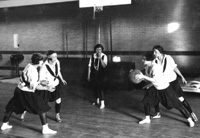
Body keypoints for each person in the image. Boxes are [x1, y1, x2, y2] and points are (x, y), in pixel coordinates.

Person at [1, 53, 57, 134]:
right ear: (38, 62)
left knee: (11, 107)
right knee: (42, 107)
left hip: (19, 90)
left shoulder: (30, 65)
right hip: (26, 93)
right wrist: (47, 88)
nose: (43, 63)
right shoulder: (33, 71)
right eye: (42, 61)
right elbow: (34, 86)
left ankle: (4, 124)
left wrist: (41, 81)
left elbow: (29, 80)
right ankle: (45, 129)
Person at [136, 51, 195, 127]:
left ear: (150, 60)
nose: (142, 60)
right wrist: (137, 76)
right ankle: (147, 118)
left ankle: (190, 120)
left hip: (165, 89)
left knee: (178, 105)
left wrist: (143, 77)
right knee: (146, 101)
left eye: (144, 59)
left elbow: (155, 79)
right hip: (156, 88)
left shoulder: (156, 67)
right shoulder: (147, 67)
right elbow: (149, 79)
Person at [152, 45, 198, 122]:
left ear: (160, 52)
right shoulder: (155, 60)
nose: (154, 53)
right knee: (158, 96)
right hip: (165, 83)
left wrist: (182, 76)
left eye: (155, 52)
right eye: (153, 51)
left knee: (181, 99)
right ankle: (157, 113)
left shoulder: (168, 58)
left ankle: (191, 113)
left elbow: (174, 67)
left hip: (173, 81)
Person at [20, 50, 67, 123]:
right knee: (37, 102)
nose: (56, 58)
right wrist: (46, 85)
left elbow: (58, 71)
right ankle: (24, 112)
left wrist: (62, 79)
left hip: (55, 84)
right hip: (46, 87)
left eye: (56, 56)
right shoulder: (44, 66)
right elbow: (40, 80)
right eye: (54, 57)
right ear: (49, 58)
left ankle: (57, 115)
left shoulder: (57, 62)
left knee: (58, 100)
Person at [87, 44, 108, 109]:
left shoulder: (104, 56)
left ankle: (102, 103)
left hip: (101, 75)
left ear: (102, 50)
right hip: (94, 74)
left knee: (100, 88)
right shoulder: (92, 56)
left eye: (100, 49)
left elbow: (104, 66)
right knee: (95, 88)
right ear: (95, 50)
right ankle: (97, 101)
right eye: (97, 49)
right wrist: (88, 75)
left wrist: (100, 59)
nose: (98, 51)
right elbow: (89, 66)